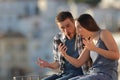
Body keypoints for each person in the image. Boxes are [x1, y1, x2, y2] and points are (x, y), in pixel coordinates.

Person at [58, 14, 119, 80]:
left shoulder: (103, 33)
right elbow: (79, 62)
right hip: (93, 73)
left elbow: (116, 55)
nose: (77, 32)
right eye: (76, 28)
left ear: (87, 25)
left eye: (79, 27)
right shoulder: (90, 41)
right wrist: (65, 55)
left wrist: (95, 49)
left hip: (107, 74)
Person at [36, 11, 83, 80]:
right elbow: (57, 63)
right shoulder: (58, 38)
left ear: (73, 22)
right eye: (62, 28)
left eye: (68, 26)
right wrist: (48, 65)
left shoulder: (82, 35)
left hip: (79, 74)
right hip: (63, 73)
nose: (66, 30)